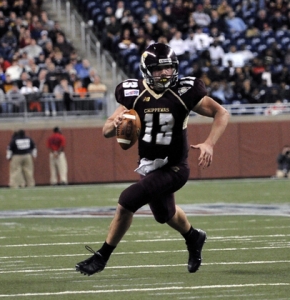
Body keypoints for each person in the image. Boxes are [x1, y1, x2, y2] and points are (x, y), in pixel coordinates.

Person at [75, 43, 229, 276]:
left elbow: (221, 113)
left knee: (128, 200)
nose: (165, 74)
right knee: (164, 215)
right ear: (147, 70)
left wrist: (209, 143)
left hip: (176, 167)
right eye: (159, 69)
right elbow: (106, 130)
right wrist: (114, 124)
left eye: (169, 68)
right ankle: (194, 237)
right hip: (149, 167)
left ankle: (102, 256)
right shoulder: (133, 92)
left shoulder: (185, 90)